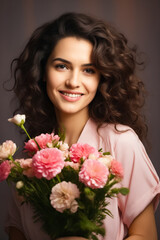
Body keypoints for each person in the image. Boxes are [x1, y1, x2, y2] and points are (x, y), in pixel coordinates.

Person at [5, 12, 160, 240]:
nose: (73, 81)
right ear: (43, 71)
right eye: (62, 66)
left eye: (88, 70)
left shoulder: (121, 141)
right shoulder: (27, 163)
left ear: (101, 79)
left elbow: (146, 236)